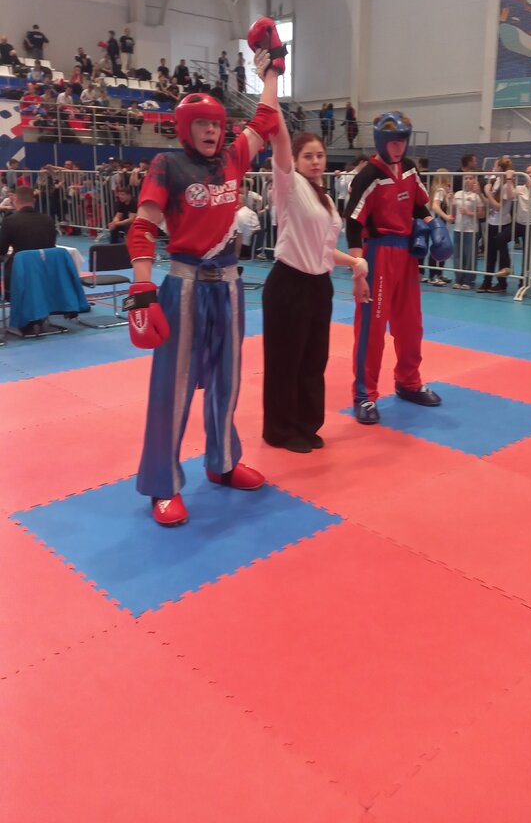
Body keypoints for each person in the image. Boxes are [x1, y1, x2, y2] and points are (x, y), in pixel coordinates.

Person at [124, 48, 281, 527]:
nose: (212, 131)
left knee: (226, 382)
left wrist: (273, 68)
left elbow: (266, 119)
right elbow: (142, 227)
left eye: (216, 123)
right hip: (185, 285)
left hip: (229, 286)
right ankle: (162, 484)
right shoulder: (166, 165)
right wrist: (143, 291)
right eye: (202, 124)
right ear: (184, 128)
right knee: (172, 388)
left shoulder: (233, 158)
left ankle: (223, 462)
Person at [250, 33, 369, 453]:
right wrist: (272, 76)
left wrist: (354, 264)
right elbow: (278, 134)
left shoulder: (326, 200)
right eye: (308, 156)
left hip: (318, 286)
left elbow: (322, 251)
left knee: (313, 361)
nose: (316, 161)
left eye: (320, 156)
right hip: (289, 285)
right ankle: (281, 430)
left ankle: (306, 424)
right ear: (296, 161)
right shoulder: (288, 185)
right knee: (285, 361)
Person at [345, 112, 446, 423]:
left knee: (410, 325)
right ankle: (364, 395)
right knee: (372, 329)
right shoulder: (368, 176)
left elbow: (418, 204)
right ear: (381, 141)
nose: (398, 147)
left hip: (407, 255)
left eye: (402, 141)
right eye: (393, 142)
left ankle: (408, 382)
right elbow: (352, 223)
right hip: (378, 255)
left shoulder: (410, 168)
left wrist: (433, 225)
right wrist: (357, 269)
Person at [0, 185, 56, 297]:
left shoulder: (9, 221)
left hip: (20, 274)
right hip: (46, 271)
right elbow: (51, 245)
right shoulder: (48, 220)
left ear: (15, 200)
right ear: (34, 201)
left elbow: (2, 250)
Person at [478, 157, 515, 293]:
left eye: (495, 166)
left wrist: (487, 193)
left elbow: (498, 206)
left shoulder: (506, 185)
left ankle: (502, 283)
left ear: (500, 168)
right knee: (490, 254)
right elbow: (489, 204)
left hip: (502, 222)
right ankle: (486, 281)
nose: (493, 168)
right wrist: (481, 194)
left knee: (500, 254)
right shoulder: (495, 182)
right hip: (492, 221)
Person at [452, 174, 485, 289]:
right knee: (457, 255)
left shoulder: (476, 196)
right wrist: (449, 201)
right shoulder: (457, 194)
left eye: (470, 178)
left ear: (474, 181)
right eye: (466, 178)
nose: (468, 180)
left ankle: (468, 280)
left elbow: (482, 214)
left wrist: (469, 213)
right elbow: (453, 211)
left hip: (471, 230)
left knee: (470, 255)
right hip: (458, 228)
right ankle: (458, 279)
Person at [427, 169, 453, 285]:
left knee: (440, 247)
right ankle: (433, 275)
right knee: (438, 247)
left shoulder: (439, 190)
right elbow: (435, 206)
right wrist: (446, 216)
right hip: (439, 223)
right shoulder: (440, 190)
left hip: (437, 223)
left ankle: (439, 274)